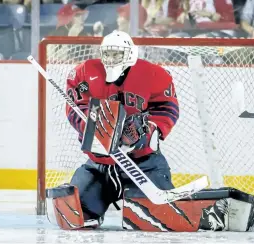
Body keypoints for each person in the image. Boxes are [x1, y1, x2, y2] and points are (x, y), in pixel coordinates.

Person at [48, 30, 179, 230]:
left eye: (116, 54)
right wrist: (93, 127)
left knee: (155, 219)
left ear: (129, 54)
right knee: (75, 217)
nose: (110, 59)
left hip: (143, 165)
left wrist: (146, 130)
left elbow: (166, 108)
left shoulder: (154, 74)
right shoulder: (84, 72)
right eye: (107, 53)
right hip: (99, 167)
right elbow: (76, 107)